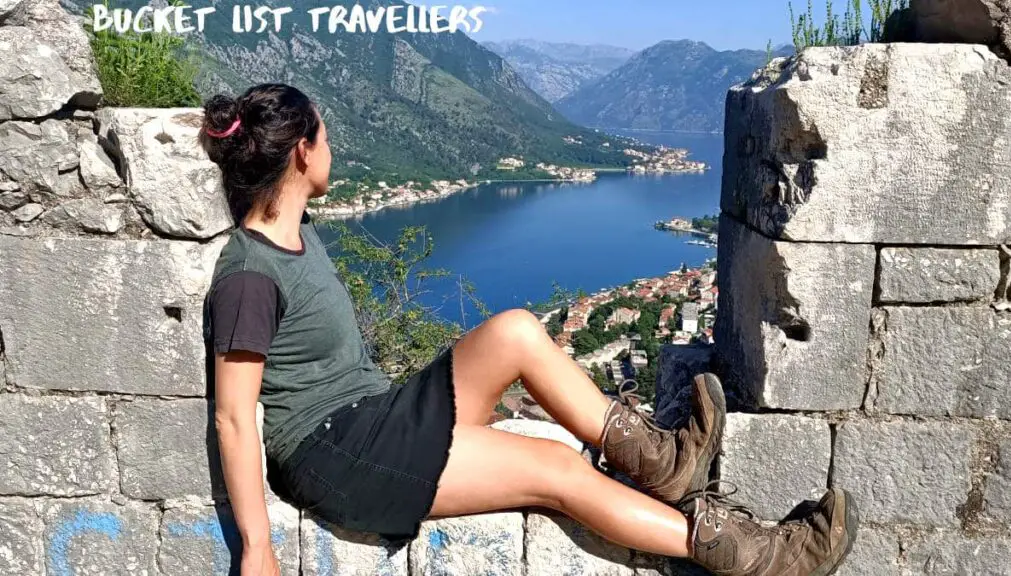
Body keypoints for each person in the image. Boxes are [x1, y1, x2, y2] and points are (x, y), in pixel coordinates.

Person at [200, 83, 858, 576]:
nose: (333, 149)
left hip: (374, 417)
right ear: (301, 153)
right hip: (341, 458)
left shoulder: (294, 238)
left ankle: (666, 462)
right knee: (556, 471)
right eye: (326, 136)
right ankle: (758, 556)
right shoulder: (249, 274)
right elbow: (234, 418)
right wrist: (257, 547)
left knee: (516, 330)